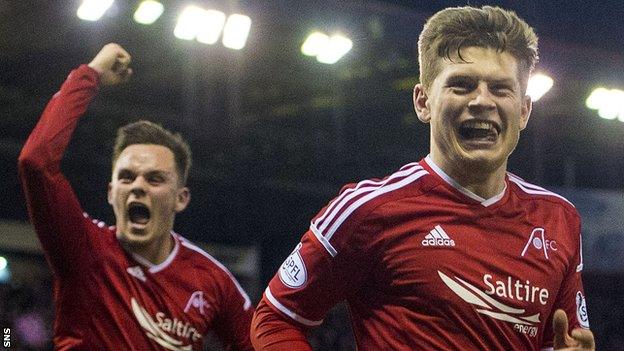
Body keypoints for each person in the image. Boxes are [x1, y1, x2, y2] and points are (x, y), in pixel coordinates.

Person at [250, 6, 595, 350]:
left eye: (501, 89)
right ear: (423, 101)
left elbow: (558, 342)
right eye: (462, 85)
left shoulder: (559, 219)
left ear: (523, 111)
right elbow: (276, 318)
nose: (481, 101)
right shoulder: (368, 209)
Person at [18, 43, 254, 350]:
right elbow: (35, 161)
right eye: (127, 177)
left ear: (181, 199)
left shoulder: (211, 280)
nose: (138, 186)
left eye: (155, 179)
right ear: (111, 192)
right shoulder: (84, 249)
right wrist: (90, 75)